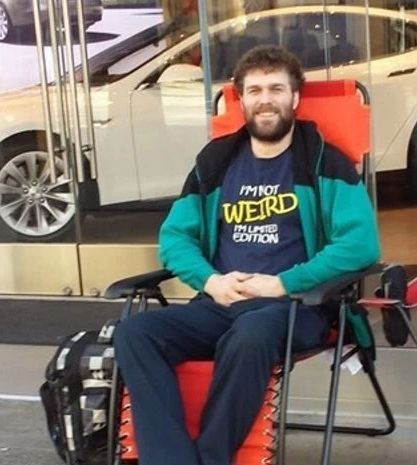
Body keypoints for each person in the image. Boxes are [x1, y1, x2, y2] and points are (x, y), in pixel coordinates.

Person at [112, 45, 380, 465]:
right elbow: (175, 238)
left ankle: (212, 458)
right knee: (135, 333)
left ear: (295, 98)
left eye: (276, 88)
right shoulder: (215, 162)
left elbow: (361, 246)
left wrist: (284, 282)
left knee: (251, 334)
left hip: (295, 307)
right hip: (222, 302)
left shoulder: (326, 162)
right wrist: (210, 281)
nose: (265, 99)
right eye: (254, 90)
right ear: (241, 100)